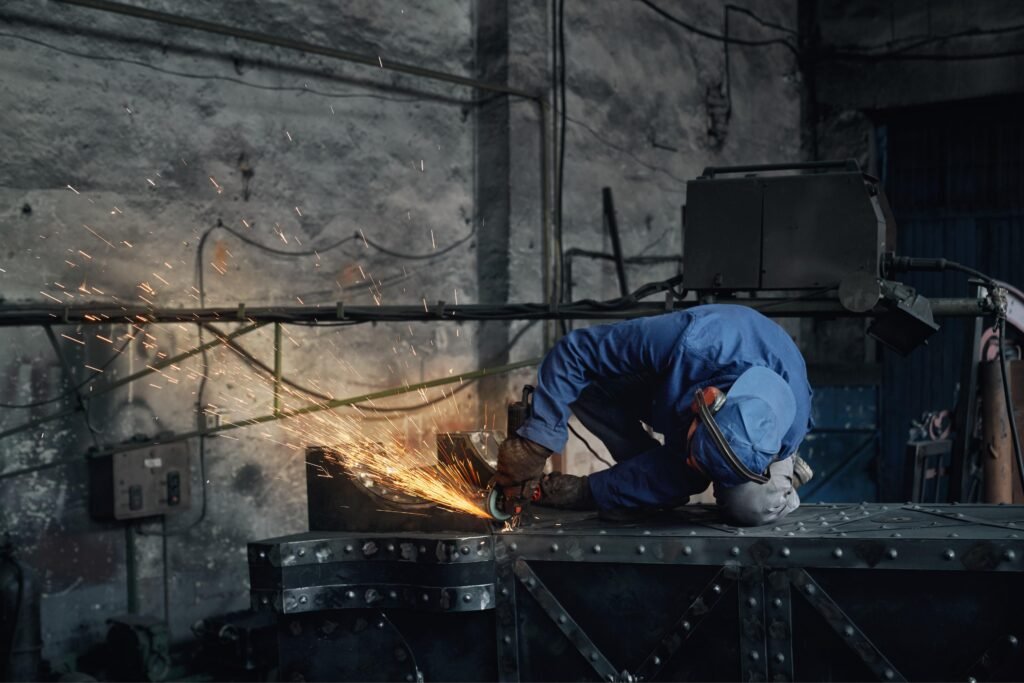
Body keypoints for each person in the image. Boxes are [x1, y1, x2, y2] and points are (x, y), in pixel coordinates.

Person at [494, 304, 814, 526]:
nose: (688, 464)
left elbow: (685, 474)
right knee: (584, 381)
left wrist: (588, 492)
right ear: (705, 400)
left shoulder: (787, 430)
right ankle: (646, 483)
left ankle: (784, 481)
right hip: (685, 375)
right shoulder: (687, 341)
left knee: (748, 507)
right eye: (691, 456)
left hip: (758, 439)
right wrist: (535, 443)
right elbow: (573, 354)